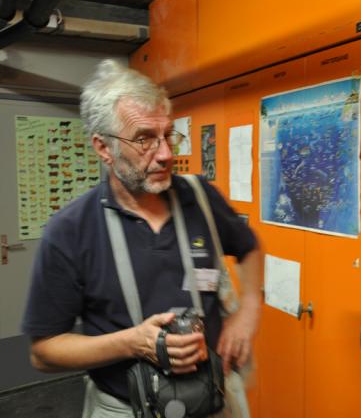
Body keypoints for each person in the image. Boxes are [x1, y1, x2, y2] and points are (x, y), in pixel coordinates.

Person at [21, 59, 262, 417]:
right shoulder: (69, 231)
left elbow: (250, 248)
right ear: (104, 148)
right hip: (124, 407)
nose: (166, 153)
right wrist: (134, 343)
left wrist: (249, 308)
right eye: (144, 138)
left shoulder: (200, 196)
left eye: (168, 134)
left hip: (213, 398)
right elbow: (44, 352)